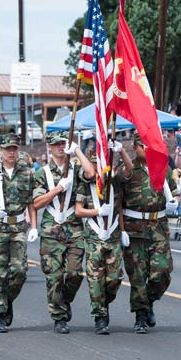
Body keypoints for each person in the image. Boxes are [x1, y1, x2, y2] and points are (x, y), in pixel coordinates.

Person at [32, 131, 95, 334]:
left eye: (63, 144)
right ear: (49, 148)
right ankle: (59, 316)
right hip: (51, 230)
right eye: (56, 144)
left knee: (74, 274)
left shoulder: (75, 169)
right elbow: (36, 203)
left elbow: (91, 173)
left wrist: (77, 149)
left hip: (74, 229)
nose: (60, 147)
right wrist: (58, 188)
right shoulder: (42, 173)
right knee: (54, 277)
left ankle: (64, 300)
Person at [119, 133, 179, 334]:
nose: (147, 149)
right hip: (134, 227)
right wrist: (120, 230)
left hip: (158, 226)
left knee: (162, 271)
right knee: (138, 275)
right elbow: (118, 201)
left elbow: (174, 191)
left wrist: (174, 203)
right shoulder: (128, 169)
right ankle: (140, 316)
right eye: (143, 146)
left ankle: (149, 301)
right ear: (135, 147)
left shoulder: (163, 168)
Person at [0, 134, 37, 333]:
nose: (11, 152)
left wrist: (35, 226)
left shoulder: (27, 173)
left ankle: (7, 300)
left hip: (18, 227)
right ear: (1, 151)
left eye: (14, 148)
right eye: (7, 149)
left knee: (20, 271)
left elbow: (31, 201)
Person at [75, 141, 132, 335]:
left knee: (115, 277)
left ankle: (103, 303)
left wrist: (122, 151)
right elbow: (78, 211)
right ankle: (100, 316)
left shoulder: (115, 182)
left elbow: (129, 171)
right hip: (94, 238)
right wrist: (97, 211)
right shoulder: (85, 184)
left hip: (114, 235)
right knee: (95, 279)